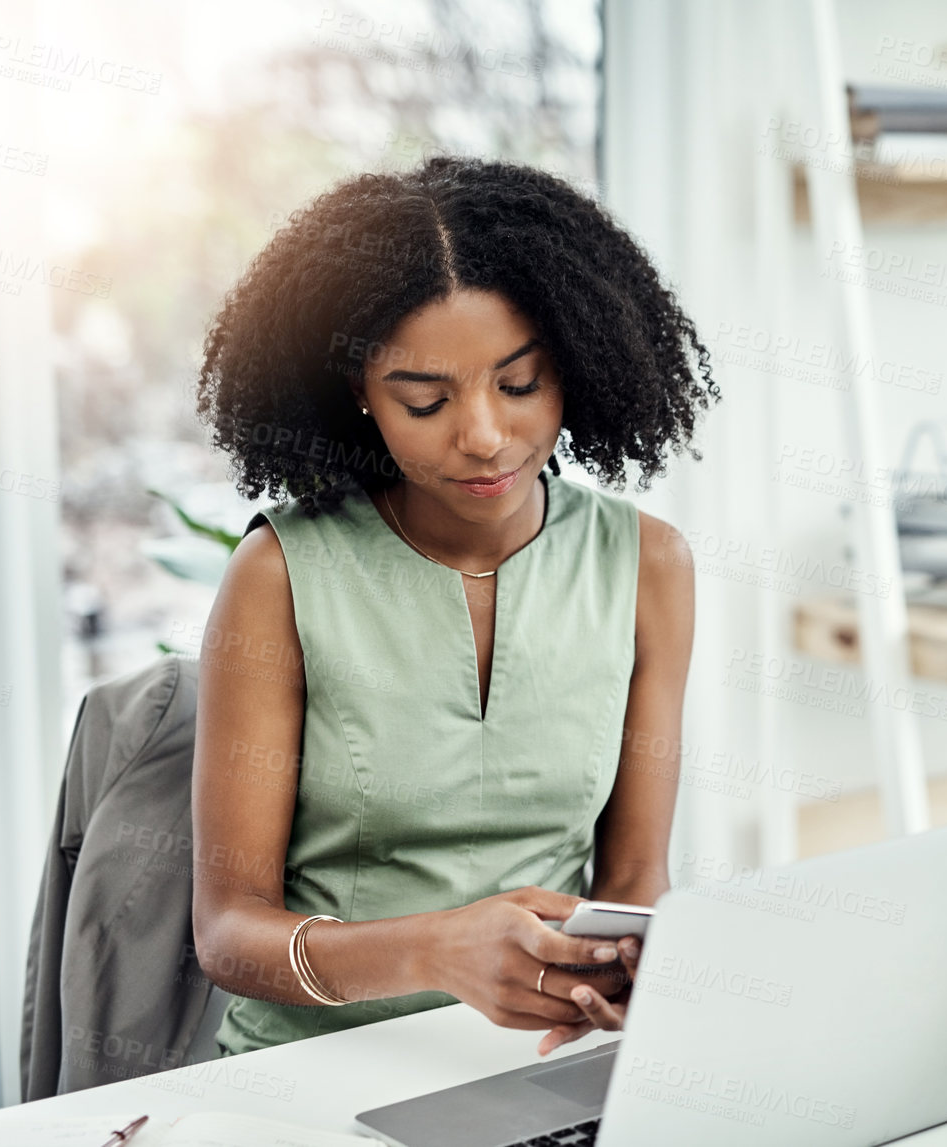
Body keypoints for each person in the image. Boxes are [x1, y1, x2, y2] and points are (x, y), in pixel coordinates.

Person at [190, 156, 716, 1059]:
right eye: (425, 399)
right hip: (310, 1072)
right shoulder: (280, 574)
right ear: (359, 391)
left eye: (520, 385)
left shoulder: (648, 565)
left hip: (539, 1060)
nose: (482, 436)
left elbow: (635, 877)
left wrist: (636, 975)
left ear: (579, 365)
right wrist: (438, 950)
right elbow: (228, 932)